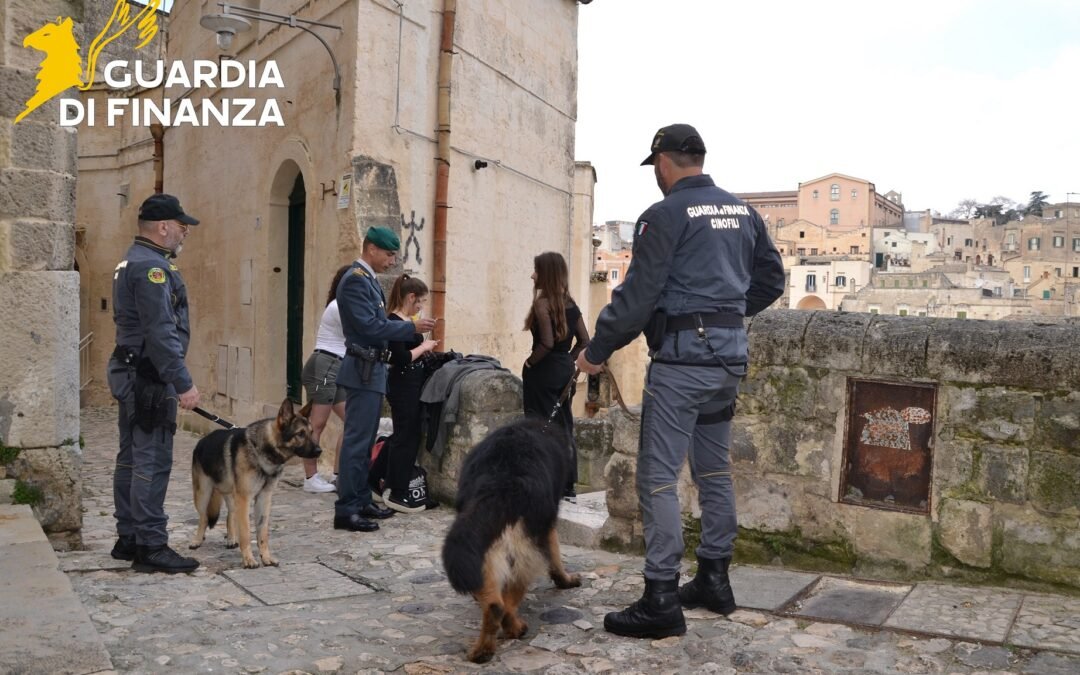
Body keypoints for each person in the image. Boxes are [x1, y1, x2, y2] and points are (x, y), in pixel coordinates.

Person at [576, 124, 785, 638]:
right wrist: (726, 313)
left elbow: (637, 297)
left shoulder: (664, 214)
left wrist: (596, 352)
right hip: (727, 360)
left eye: (656, 167)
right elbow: (772, 280)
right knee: (713, 470)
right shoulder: (743, 212)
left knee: (658, 476)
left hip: (683, 363)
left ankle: (661, 598)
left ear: (664, 162)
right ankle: (714, 579)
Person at [106, 193, 204, 574]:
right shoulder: (152, 268)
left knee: (130, 456)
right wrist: (182, 383)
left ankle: (129, 537)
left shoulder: (133, 259)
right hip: (148, 376)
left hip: (132, 370)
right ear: (163, 227)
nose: (185, 233)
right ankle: (150, 544)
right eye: (181, 226)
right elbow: (161, 332)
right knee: (151, 458)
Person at [333, 227, 437, 532]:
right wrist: (412, 328)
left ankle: (362, 499)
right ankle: (347, 509)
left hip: (372, 369)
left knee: (366, 442)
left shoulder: (368, 280)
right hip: (362, 369)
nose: (392, 261)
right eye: (389, 254)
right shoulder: (355, 280)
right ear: (372, 249)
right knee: (356, 442)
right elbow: (370, 327)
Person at [522, 252, 590, 502]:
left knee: (540, 426)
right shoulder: (570, 303)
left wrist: (529, 363)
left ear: (546, 274)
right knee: (564, 424)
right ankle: (567, 485)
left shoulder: (542, 304)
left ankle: (545, 483)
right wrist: (567, 360)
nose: (532, 275)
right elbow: (585, 341)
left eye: (536, 271)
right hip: (564, 372)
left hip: (542, 372)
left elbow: (547, 343)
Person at [382, 274, 439, 513]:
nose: (421, 307)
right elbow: (400, 358)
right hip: (402, 385)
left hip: (413, 384)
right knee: (405, 437)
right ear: (411, 297)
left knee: (406, 435)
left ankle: (381, 480)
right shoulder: (394, 321)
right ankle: (397, 492)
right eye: (420, 301)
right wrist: (424, 347)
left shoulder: (408, 321)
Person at [299, 264, 352, 493]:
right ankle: (310, 478)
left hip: (335, 366)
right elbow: (360, 330)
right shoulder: (339, 306)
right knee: (317, 423)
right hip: (326, 365)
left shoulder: (344, 304)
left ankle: (339, 475)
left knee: (352, 420)